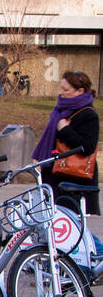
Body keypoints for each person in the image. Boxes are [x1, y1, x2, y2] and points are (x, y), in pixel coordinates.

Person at [35, 71, 99, 218]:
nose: (60, 93)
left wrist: (65, 129)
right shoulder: (60, 110)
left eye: (65, 90)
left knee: (74, 229)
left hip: (73, 182)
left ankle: (97, 243)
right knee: (60, 230)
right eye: (60, 88)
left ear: (80, 91)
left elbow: (87, 147)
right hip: (56, 177)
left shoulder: (89, 115)